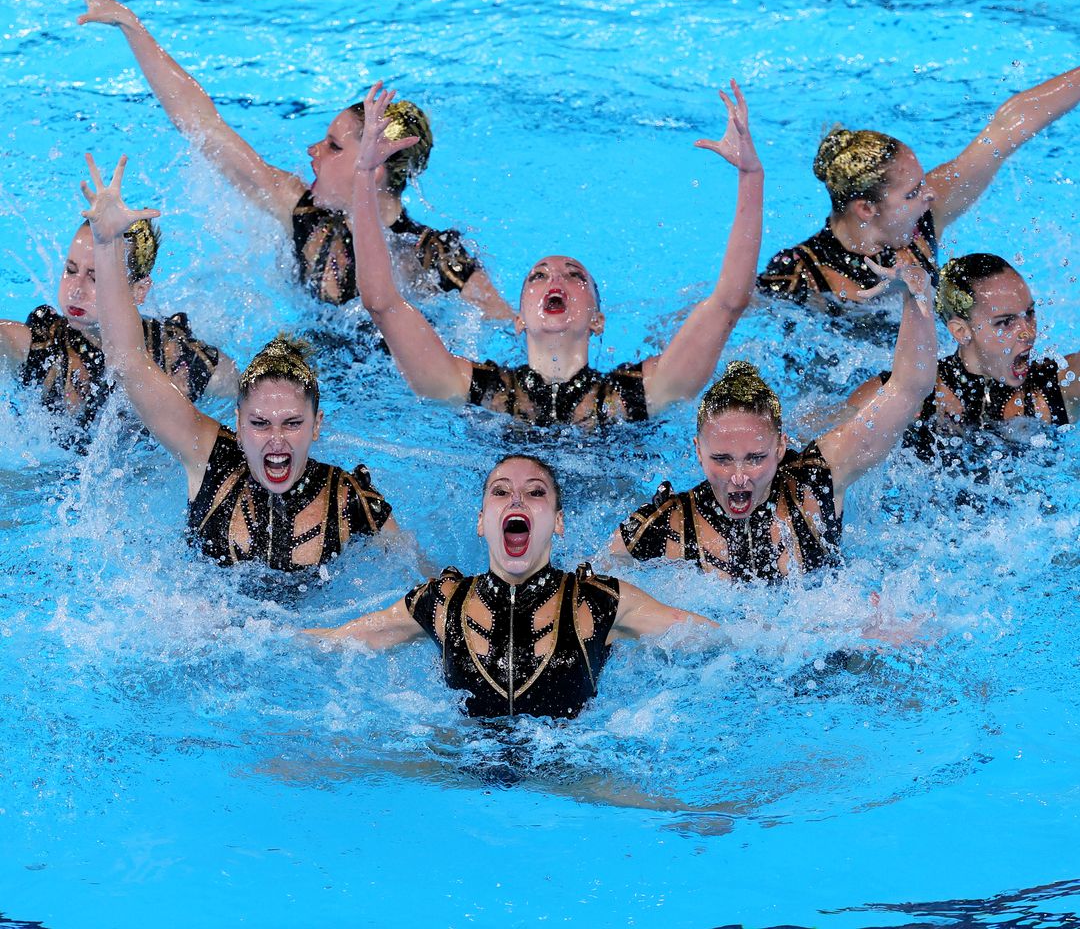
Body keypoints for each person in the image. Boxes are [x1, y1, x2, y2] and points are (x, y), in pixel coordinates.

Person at [52, 0, 514, 319]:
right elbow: (203, 125)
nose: (312, 151)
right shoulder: (300, 210)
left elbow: (507, 325)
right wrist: (132, 27)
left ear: (373, 166)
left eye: (333, 146)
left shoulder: (430, 257)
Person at [345, 80, 765, 428]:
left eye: (575, 276)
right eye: (538, 276)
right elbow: (383, 305)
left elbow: (728, 303)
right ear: (518, 319)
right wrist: (363, 176)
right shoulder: (478, 391)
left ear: (598, 320)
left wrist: (751, 176)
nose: (556, 281)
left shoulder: (637, 395)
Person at [80, 152, 397, 574]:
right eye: (260, 423)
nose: (276, 439)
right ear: (237, 422)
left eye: (292, 422)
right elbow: (130, 362)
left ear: (317, 425)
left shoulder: (349, 500)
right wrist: (106, 246)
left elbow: (419, 589)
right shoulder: (207, 458)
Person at [304, 454, 720, 720]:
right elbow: (338, 640)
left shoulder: (600, 602)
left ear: (557, 521)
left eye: (535, 492)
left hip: (572, 780)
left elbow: (710, 637)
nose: (517, 500)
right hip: (461, 772)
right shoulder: (441, 603)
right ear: (482, 520)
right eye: (501, 492)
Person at [611, 257, 936, 581]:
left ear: (781, 446)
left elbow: (909, 389)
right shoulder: (665, 528)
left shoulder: (816, 484)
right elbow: (595, 592)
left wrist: (916, 298)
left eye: (755, 458)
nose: (739, 477)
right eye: (722, 459)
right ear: (698, 450)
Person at [757, 65, 1080, 309]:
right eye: (911, 192)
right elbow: (728, 312)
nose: (928, 195)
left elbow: (1005, 129)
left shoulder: (926, 217)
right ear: (866, 209)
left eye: (922, 182)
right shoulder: (801, 272)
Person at [0, 215, 236, 425]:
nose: (75, 290)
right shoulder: (44, 347)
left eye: (96, 278)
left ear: (138, 291)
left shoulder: (176, 360)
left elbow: (250, 398)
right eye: (71, 271)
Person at [846, 253, 1079, 464]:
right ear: (961, 331)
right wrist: (914, 298)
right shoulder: (915, 394)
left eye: (1029, 313)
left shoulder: (1057, 383)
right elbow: (825, 443)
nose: (1028, 332)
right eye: (1005, 322)